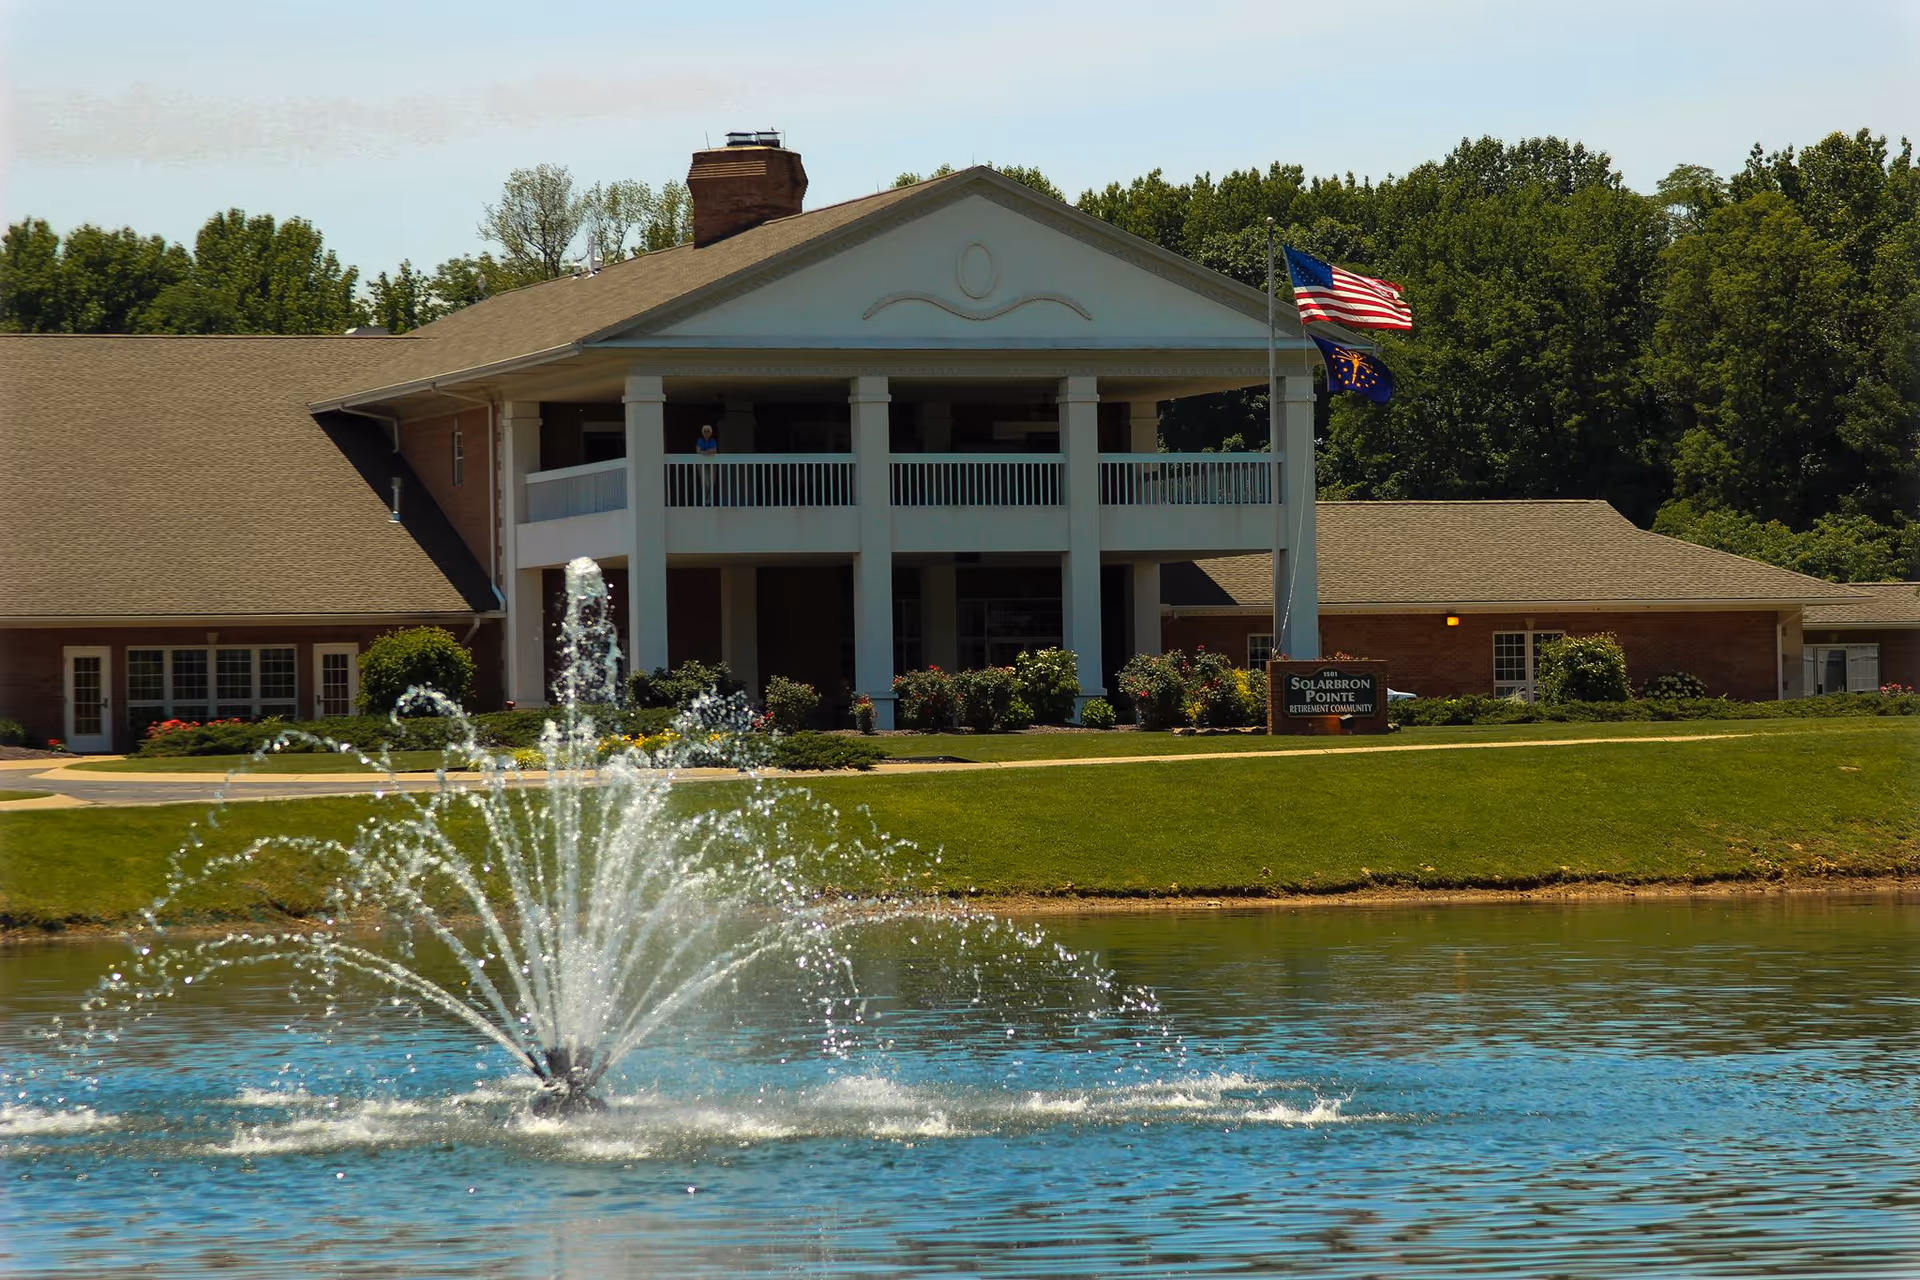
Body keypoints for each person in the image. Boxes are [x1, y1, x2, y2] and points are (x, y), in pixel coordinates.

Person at [695, 424, 718, 504]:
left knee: (711, 480)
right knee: (705, 481)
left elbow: (714, 451)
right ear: (702, 432)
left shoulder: (713, 441)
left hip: (712, 463)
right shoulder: (700, 440)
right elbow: (698, 451)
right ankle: (705, 498)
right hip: (702, 464)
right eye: (705, 431)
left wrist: (704, 452)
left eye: (708, 431)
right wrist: (707, 452)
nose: (706, 433)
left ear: (711, 433)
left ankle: (710, 498)